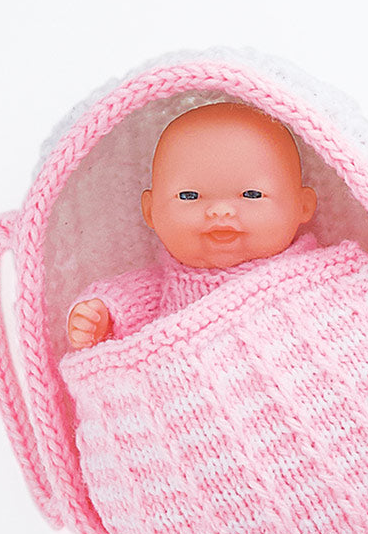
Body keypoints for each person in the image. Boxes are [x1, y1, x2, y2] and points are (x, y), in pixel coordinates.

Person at [67, 102, 318, 349]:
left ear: (303, 206)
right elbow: (121, 301)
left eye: (251, 195)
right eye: (190, 196)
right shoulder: (163, 291)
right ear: (150, 211)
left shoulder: (317, 278)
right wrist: (100, 317)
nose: (220, 211)